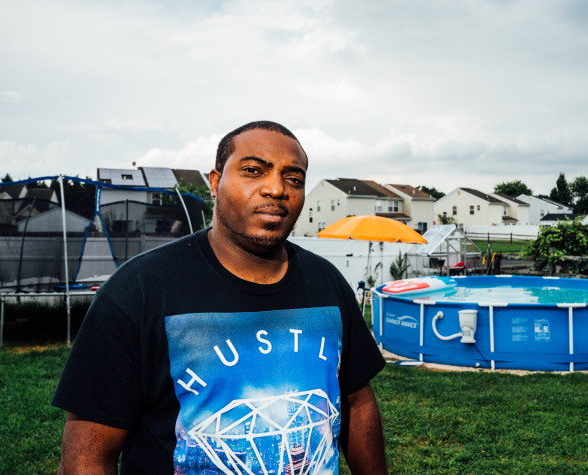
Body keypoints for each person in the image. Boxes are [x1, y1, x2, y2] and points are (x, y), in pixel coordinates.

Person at [53, 121, 388, 474]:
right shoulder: (139, 290)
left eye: (293, 178)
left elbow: (357, 400)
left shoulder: (327, 283)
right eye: (253, 171)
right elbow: (87, 456)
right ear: (215, 182)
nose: (276, 188)